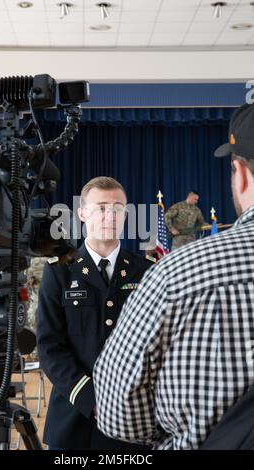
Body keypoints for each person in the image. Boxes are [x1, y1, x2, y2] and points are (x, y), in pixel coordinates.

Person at [93, 103, 254, 450]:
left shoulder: (174, 278)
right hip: (183, 243)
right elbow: (171, 224)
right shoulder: (180, 214)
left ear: (239, 174)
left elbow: (116, 407)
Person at [37, 176, 152, 450]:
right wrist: (92, 399)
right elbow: (50, 347)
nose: (110, 215)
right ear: (82, 213)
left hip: (131, 421)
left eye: (118, 208)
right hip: (74, 417)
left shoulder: (146, 271)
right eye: (101, 207)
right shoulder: (59, 271)